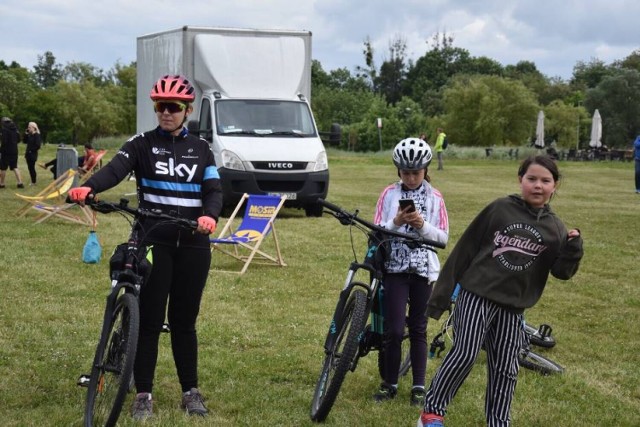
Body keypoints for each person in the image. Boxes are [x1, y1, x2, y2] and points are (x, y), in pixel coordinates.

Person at [68, 74, 223, 420]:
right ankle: (144, 394)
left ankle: (190, 391)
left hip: (194, 244)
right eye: (159, 106)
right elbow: (115, 169)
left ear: (187, 110)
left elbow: (214, 191)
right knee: (149, 321)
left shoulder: (201, 149)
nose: (165, 113)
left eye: (173, 107)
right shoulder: (141, 144)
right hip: (155, 241)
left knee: (184, 322)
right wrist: (89, 188)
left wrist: (210, 216)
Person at [417, 154, 583, 427]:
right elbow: (465, 250)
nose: (538, 186)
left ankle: (498, 421)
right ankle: (432, 412)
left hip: (514, 307)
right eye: (531, 179)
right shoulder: (499, 209)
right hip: (476, 295)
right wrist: (441, 297)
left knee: (506, 367)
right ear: (520, 180)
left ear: (555, 185)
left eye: (545, 180)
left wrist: (573, 248)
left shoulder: (555, 229)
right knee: (465, 353)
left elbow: (562, 272)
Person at [372, 137, 449, 406]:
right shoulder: (389, 194)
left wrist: (421, 225)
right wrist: (396, 221)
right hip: (394, 268)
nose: (411, 177)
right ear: (398, 172)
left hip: (423, 271)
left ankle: (418, 385)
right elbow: (377, 230)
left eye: (416, 172)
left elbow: (442, 239)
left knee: (418, 328)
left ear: (426, 170)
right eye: (406, 173)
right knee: (393, 329)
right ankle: (389, 382)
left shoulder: (435, 197)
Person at [0, 117, 25, 189]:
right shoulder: (15, 129)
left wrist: (1, 149)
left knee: (3, 168)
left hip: (6, 151)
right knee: (14, 166)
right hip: (14, 150)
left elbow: (4, 141)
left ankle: (2, 183)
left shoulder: (4, 130)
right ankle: (20, 183)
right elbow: (19, 139)